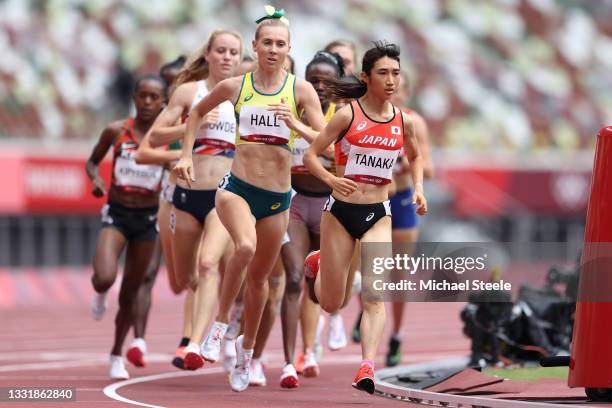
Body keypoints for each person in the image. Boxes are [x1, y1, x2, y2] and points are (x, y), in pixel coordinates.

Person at [174, 5, 326, 392]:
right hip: (236, 189)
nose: (273, 50)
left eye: (281, 44)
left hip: (277, 199)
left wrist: (297, 125)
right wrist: (186, 154)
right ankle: (218, 326)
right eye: (267, 43)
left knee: (260, 282)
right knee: (244, 245)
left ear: (289, 49)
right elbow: (195, 115)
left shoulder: (300, 90)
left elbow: (326, 141)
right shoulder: (237, 87)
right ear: (255, 47)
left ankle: (246, 354)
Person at [302, 42, 427, 394]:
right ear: (366, 77)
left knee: (374, 296)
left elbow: (416, 157)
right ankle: (319, 262)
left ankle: (367, 367)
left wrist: (418, 187)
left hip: (378, 213)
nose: (391, 81)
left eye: (396, 74)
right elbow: (312, 156)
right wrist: (330, 179)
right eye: (384, 73)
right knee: (331, 302)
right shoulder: (348, 116)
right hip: (340, 213)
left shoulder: (404, 121)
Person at [146, 30, 243, 371]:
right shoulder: (190, 92)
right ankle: (199, 334)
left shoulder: (245, 94)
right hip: (186, 196)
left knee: (208, 265)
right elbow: (154, 137)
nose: (227, 57)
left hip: (224, 196)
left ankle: (196, 344)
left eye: (234, 51)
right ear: (209, 54)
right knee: (183, 279)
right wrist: (192, 125)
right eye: (221, 51)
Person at [87, 75, 166, 380]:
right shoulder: (116, 131)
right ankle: (100, 291)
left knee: (131, 293)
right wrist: (95, 179)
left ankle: (117, 354)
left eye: (153, 98)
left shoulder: (167, 138)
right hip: (117, 215)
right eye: (142, 96)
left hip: (147, 221)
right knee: (105, 276)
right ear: (134, 98)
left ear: (163, 103)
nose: (147, 102)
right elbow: (92, 162)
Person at [282, 50, 346, 382]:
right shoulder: (290, 108)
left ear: (336, 83)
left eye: (326, 80)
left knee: (315, 285)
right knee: (293, 278)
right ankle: (292, 358)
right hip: (293, 202)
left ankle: (310, 346)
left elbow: (339, 154)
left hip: (327, 207)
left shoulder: (343, 116)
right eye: (313, 80)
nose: (319, 86)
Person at [385, 71, 434, 367]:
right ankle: (366, 312)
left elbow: (429, 169)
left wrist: (403, 165)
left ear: (408, 94)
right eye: (388, 87)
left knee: (398, 274)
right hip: (373, 198)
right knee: (365, 268)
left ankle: (397, 334)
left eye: (400, 90)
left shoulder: (414, 123)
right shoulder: (367, 117)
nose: (393, 93)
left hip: (402, 201)